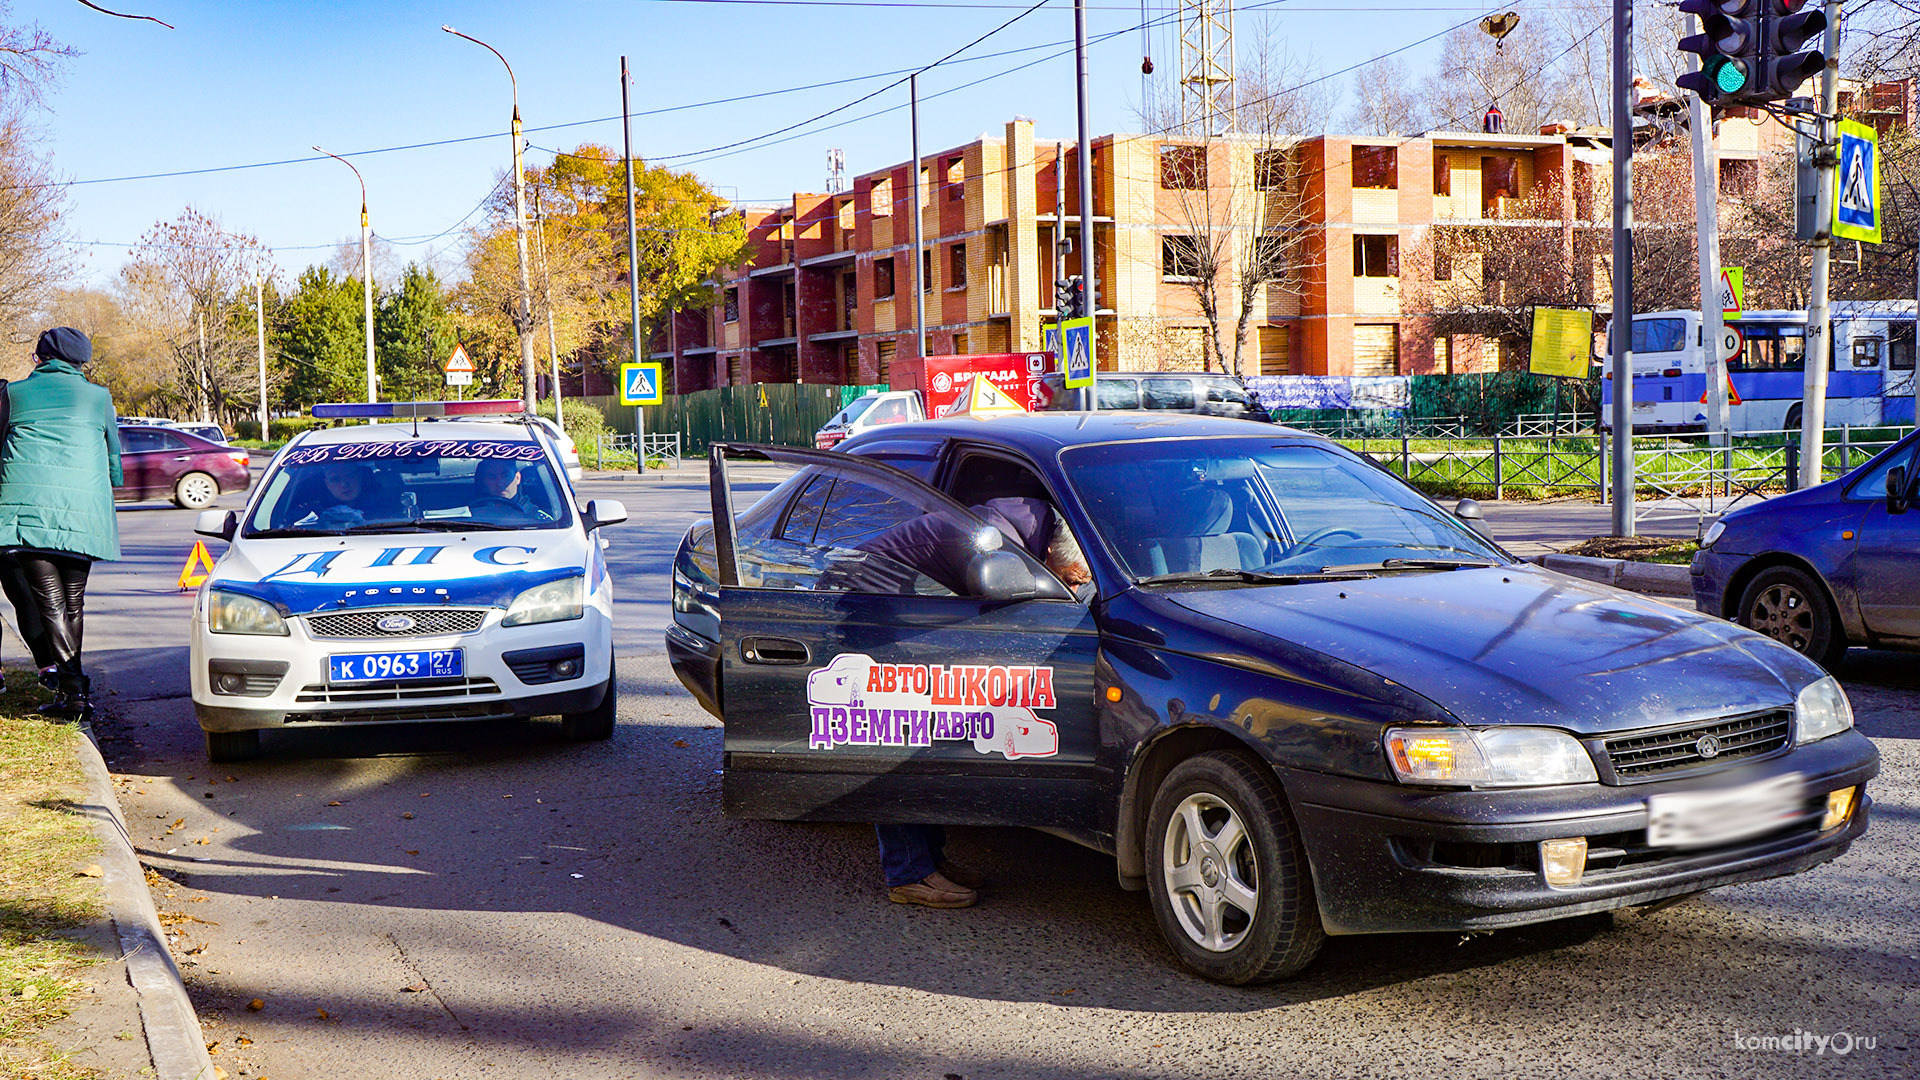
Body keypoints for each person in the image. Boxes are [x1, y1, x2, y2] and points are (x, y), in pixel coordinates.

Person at [863, 497, 1093, 909]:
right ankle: (908, 873)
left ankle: (930, 859)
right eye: (1072, 580)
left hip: (905, 609)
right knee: (901, 740)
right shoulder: (994, 541)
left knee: (931, 741)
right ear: (1050, 555)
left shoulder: (1032, 530)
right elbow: (995, 618)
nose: (1073, 590)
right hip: (863, 611)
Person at [0, 328, 122, 720]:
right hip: (83, 513)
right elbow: (114, 459)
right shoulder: (99, 397)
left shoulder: (13, 394)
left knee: (51, 604)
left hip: (28, 512)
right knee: (73, 603)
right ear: (80, 361)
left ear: (40, 358)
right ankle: (74, 694)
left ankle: (75, 694)